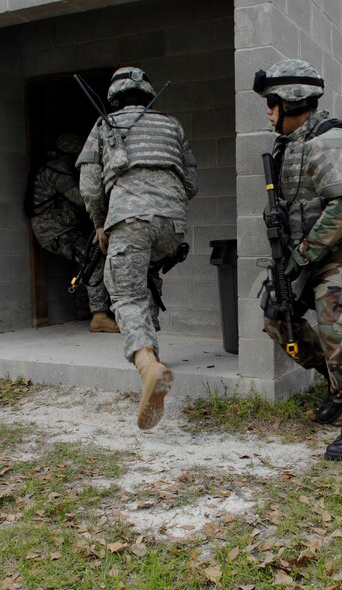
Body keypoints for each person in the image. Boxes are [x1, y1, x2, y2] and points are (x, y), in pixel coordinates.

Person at [254, 59, 342, 460]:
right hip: (304, 254)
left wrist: (300, 257)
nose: (269, 112)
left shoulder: (331, 140)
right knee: (276, 321)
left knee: (333, 329)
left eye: (272, 103)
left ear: (291, 102)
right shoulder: (289, 144)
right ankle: (337, 382)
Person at [76, 67, 198, 430]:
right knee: (145, 277)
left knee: (126, 295)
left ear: (114, 99)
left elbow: (89, 185)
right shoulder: (172, 126)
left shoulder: (104, 125)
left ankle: (147, 364)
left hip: (129, 220)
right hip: (172, 225)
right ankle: (154, 355)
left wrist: (100, 224)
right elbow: (190, 182)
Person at [30, 133, 118, 333]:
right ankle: (99, 316)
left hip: (61, 228)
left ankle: (83, 308)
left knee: (83, 262)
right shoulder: (57, 168)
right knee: (92, 259)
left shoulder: (58, 166)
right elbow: (79, 198)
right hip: (53, 230)